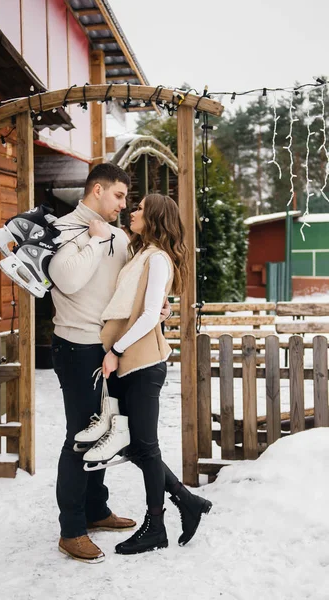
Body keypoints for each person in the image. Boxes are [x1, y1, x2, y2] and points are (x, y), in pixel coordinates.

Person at [48, 164, 170, 564]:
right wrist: (96, 242)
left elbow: (130, 286)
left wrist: (157, 307)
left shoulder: (120, 236)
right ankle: (71, 529)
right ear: (97, 190)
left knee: (103, 433)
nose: (124, 205)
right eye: (119, 196)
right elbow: (66, 280)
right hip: (76, 346)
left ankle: (97, 509)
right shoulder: (65, 229)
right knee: (80, 436)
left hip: (108, 350)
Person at [100, 193, 213, 555]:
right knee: (134, 446)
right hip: (129, 363)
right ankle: (186, 500)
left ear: (154, 218)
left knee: (145, 447)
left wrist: (116, 350)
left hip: (143, 365)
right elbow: (146, 309)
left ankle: (155, 526)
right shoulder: (141, 255)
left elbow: (149, 314)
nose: (132, 211)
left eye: (139, 208)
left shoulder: (159, 259)